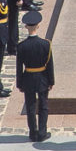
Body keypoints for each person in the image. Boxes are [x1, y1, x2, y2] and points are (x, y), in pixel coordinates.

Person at [15, 8, 55, 142]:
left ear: (26, 26)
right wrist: (51, 81)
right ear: (38, 25)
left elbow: (19, 67)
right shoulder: (45, 44)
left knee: (31, 106)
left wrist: (19, 83)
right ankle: (42, 132)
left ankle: (33, 132)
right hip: (42, 78)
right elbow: (50, 65)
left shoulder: (21, 46)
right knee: (43, 105)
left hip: (28, 78)